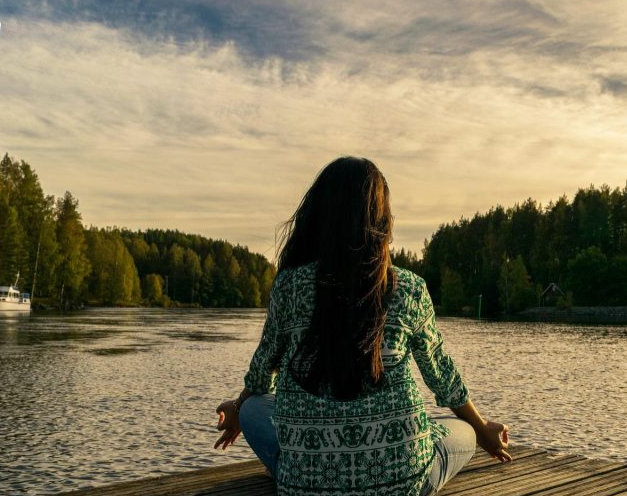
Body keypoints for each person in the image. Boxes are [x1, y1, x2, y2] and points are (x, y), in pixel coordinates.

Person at [213, 156, 510, 496]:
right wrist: (482, 427)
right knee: (462, 430)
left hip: (306, 487)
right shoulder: (408, 288)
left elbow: (263, 370)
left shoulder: (289, 286)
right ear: (381, 220)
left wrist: (237, 408)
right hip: (402, 484)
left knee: (254, 408)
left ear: (319, 215)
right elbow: (442, 376)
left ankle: (302, 470)